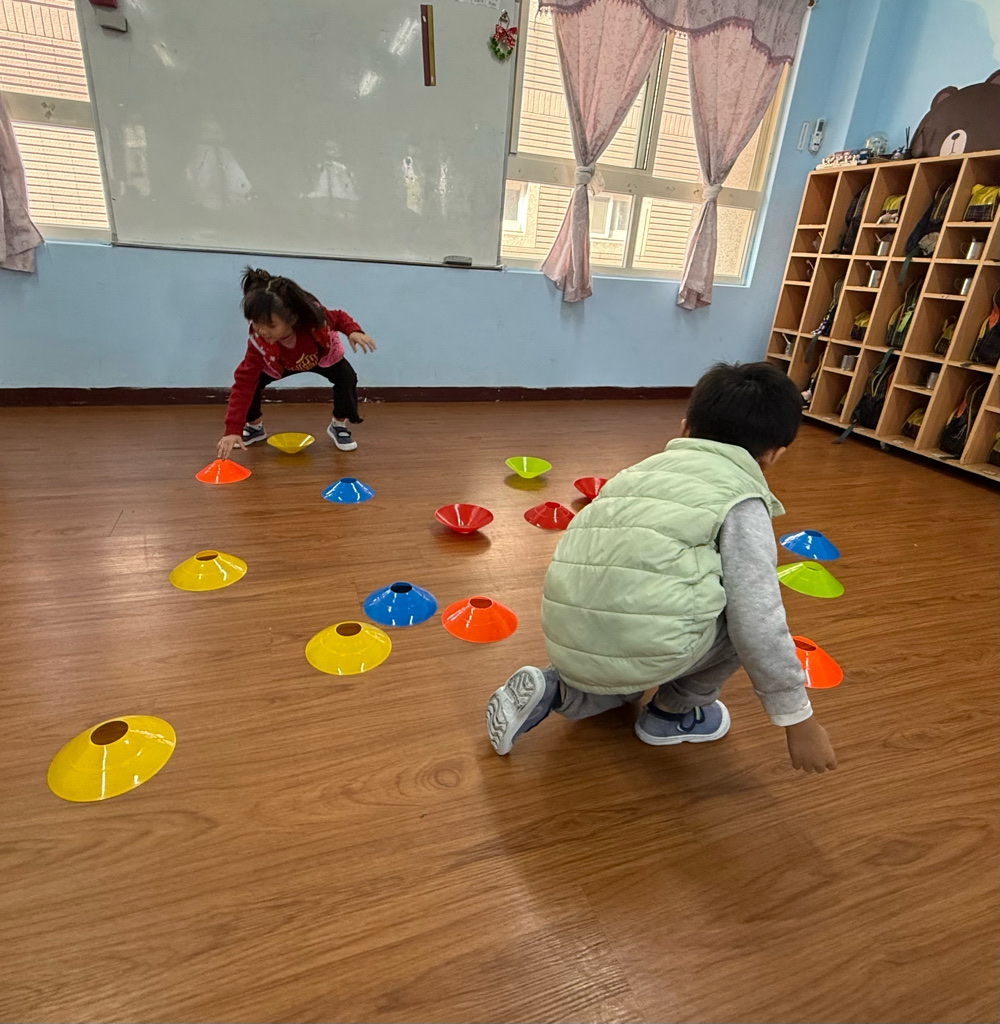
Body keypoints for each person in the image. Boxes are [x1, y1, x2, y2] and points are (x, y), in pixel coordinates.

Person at [485, 361, 837, 774]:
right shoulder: (740, 500)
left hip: (568, 636)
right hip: (645, 643)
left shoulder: (632, 474)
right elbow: (757, 618)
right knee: (736, 617)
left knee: (637, 636)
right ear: (774, 455)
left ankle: (559, 690)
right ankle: (672, 715)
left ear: (685, 428)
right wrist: (797, 719)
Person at [216, 268, 376, 459]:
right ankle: (255, 427)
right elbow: (243, 384)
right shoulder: (259, 342)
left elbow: (339, 317)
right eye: (257, 324)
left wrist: (353, 331)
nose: (263, 331)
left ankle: (338, 425)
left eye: (271, 325)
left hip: (320, 357)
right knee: (252, 382)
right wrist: (233, 429)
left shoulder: (313, 320)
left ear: (292, 318)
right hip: (280, 364)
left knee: (347, 377)